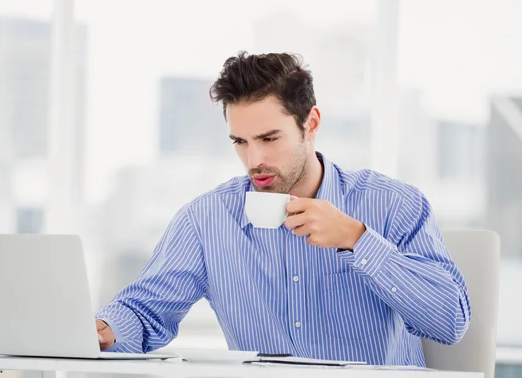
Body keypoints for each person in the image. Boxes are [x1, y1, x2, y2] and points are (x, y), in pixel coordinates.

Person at [94, 52, 471, 366]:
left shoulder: (393, 204)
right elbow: (145, 311)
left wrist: (357, 240)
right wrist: (105, 330)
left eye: (269, 139)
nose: (253, 159)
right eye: (239, 141)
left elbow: (449, 322)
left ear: (311, 124)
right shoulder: (206, 220)